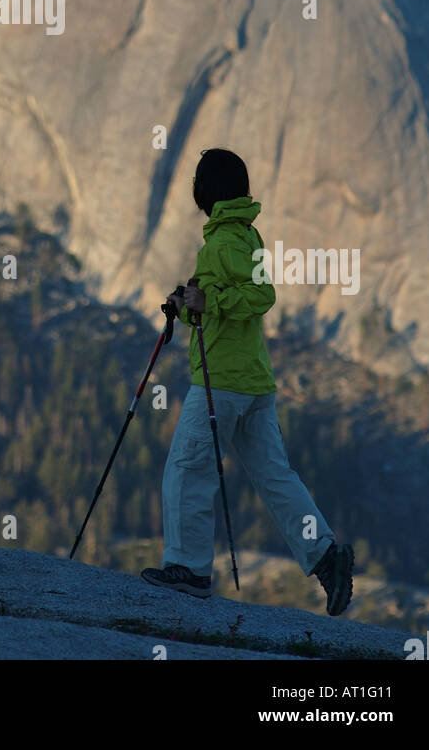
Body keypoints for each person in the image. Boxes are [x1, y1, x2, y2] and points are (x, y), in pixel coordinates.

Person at [141, 148, 354, 615]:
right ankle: (325, 555)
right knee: (275, 475)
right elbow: (236, 292)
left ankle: (188, 567)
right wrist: (190, 300)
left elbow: (260, 295)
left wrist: (208, 300)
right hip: (252, 381)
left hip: (224, 380)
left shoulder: (223, 241)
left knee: (187, 468)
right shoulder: (244, 234)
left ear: (209, 189)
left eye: (198, 180)